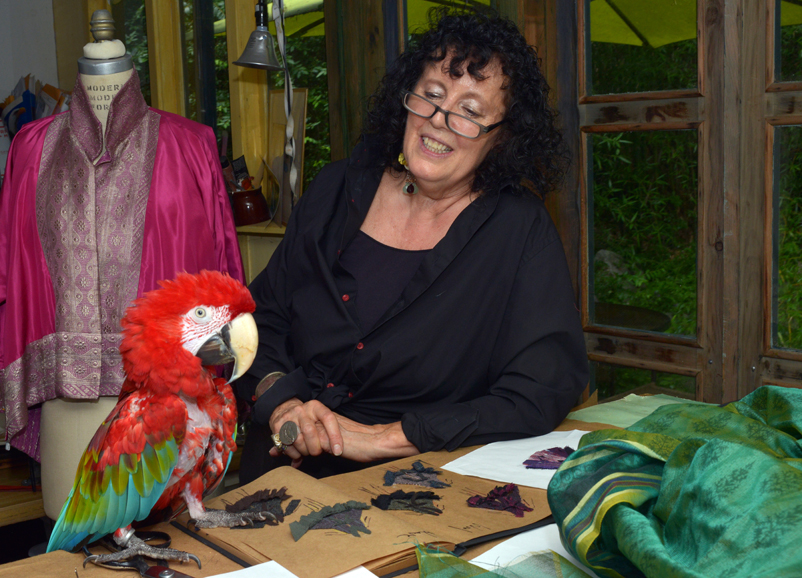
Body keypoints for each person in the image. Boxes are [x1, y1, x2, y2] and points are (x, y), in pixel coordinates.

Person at [234, 8, 588, 484]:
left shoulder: (518, 230)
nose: (440, 121)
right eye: (433, 96)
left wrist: (384, 437)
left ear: (500, 139)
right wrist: (283, 405)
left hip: (417, 488)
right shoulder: (337, 187)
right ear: (408, 98)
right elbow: (260, 321)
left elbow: (541, 390)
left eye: (470, 112)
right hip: (279, 476)